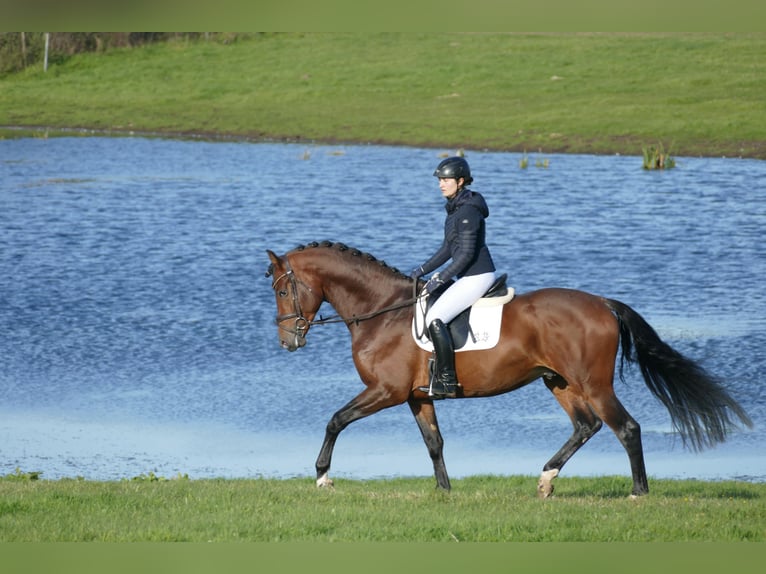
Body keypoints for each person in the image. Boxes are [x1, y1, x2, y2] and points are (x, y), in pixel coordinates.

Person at [411, 156, 496, 398]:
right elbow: (448, 249)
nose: (441, 184)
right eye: (440, 179)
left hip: (477, 276)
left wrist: (441, 278)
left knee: (435, 318)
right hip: (467, 276)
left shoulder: (468, 211)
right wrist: (421, 270)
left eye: (446, 179)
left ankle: (447, 380)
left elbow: (467, 254)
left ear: (460, 181)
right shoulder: (456, 208)